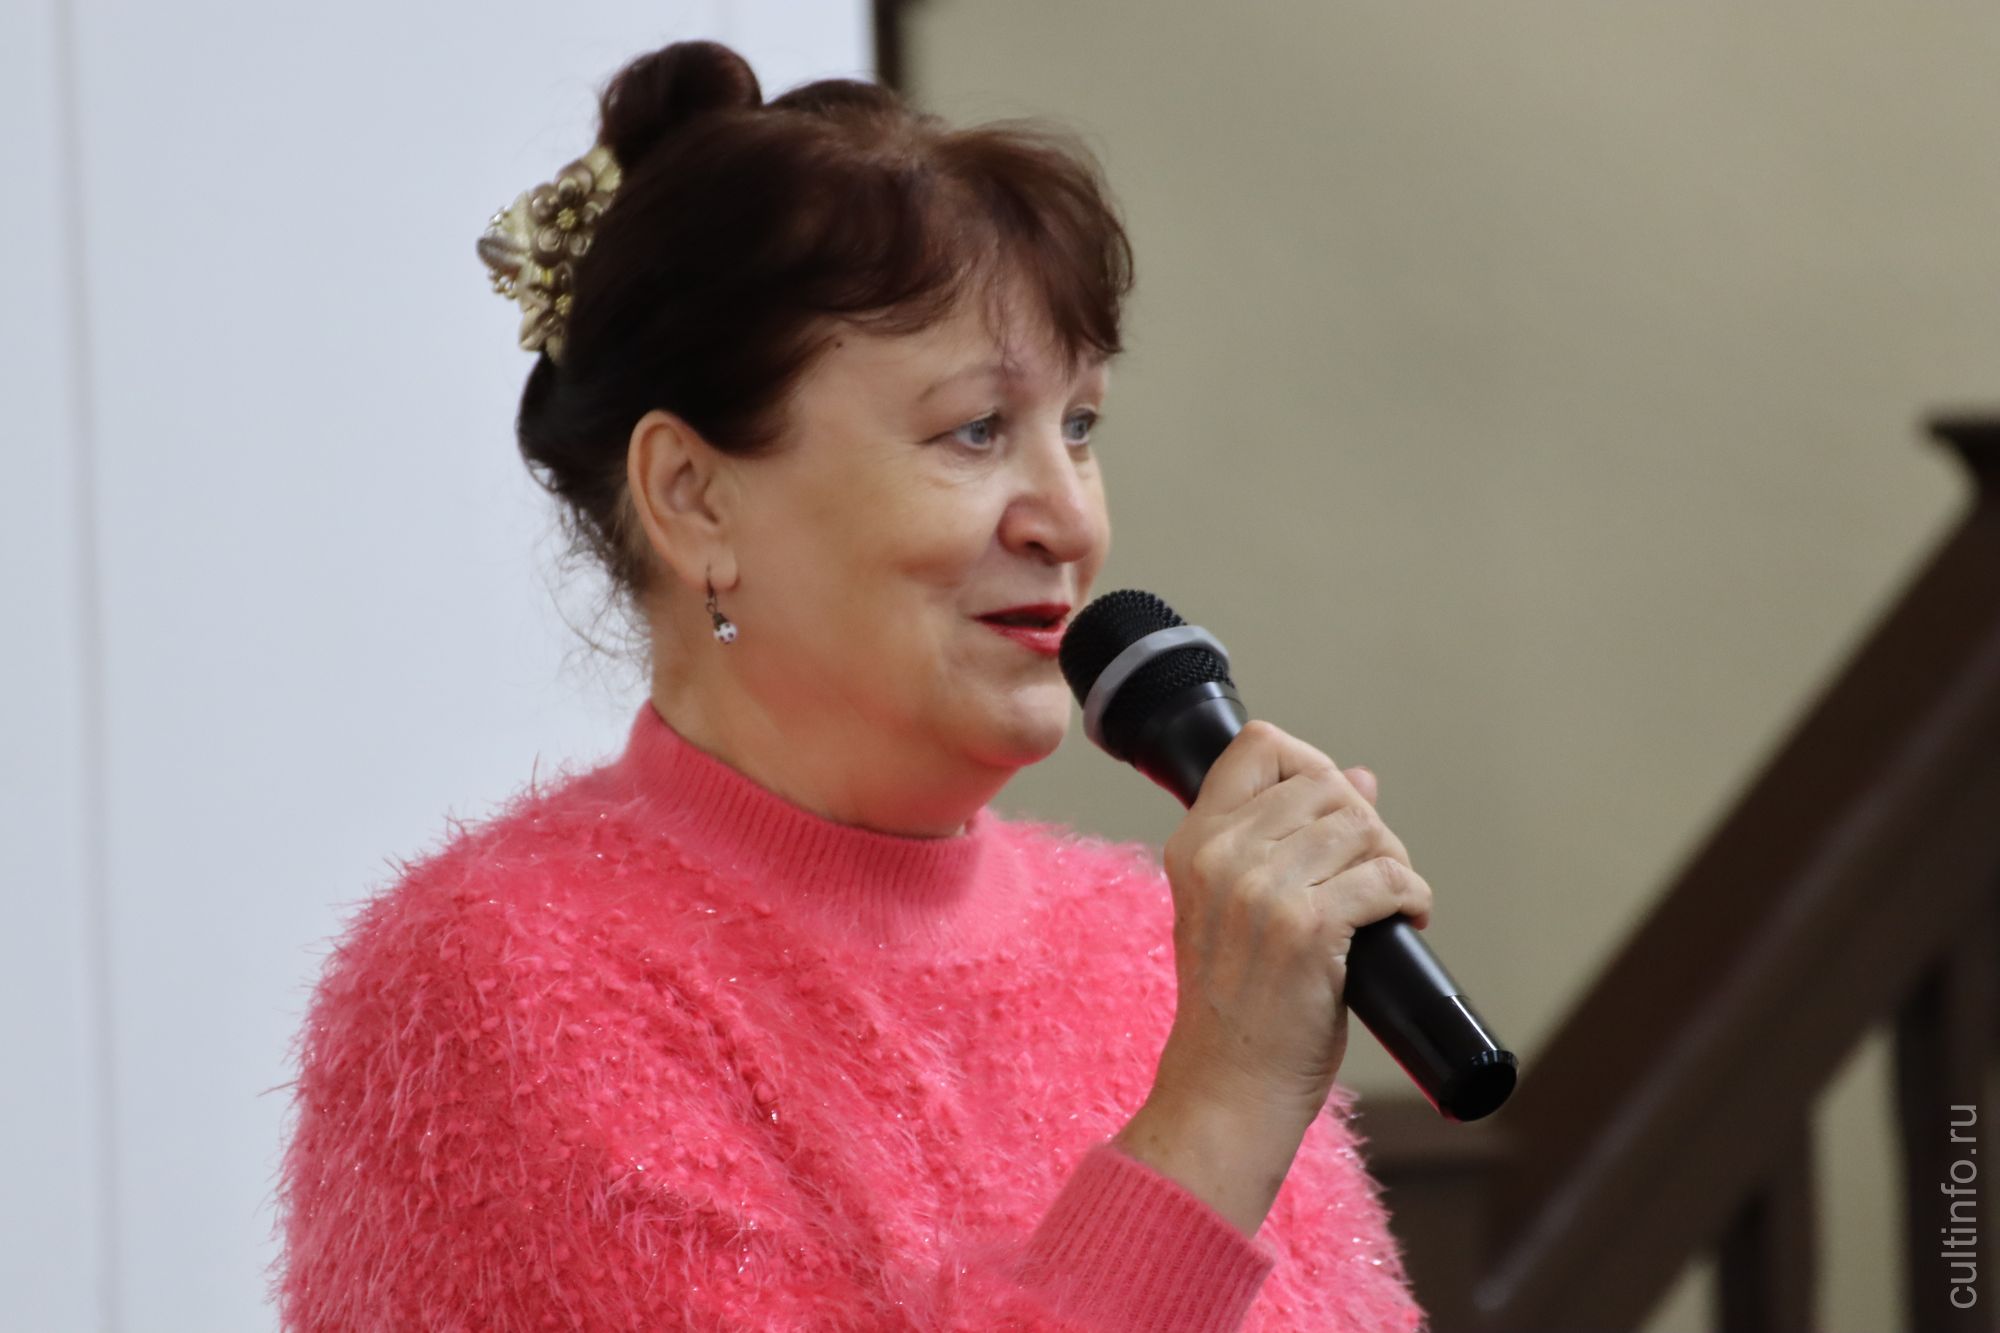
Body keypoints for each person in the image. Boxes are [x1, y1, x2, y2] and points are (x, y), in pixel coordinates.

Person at [272, 38, 1432, 1332]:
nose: (1069, 519)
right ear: (693, 497)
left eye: (1081, 426)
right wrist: (1213, 1118)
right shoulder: (497, 981)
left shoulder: (1155, 951)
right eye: (976, 430)